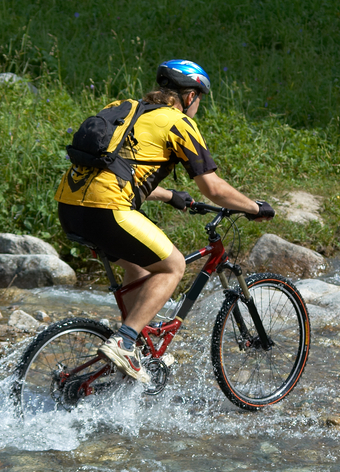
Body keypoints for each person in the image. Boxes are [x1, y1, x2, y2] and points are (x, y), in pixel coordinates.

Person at [55, 59, 275, 383]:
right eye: (199, 99)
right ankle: (125, 342)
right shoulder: (177, 122)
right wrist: (254, 208)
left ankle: (136, 352)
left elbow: (117, 168)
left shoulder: (125, 108)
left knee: (140, 271)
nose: (197, 106)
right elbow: (213, 187)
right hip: (107, 211)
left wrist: (170, 195)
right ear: (189, 96)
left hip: (70, 208)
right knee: (173, 266)